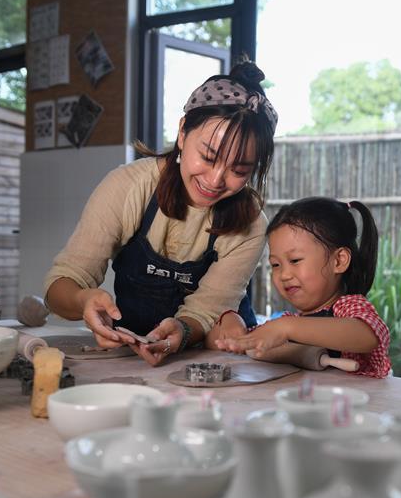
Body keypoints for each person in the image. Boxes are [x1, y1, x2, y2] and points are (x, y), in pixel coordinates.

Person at [43, 60, 278, 366]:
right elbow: (60, 285)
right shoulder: (128, 187)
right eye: (208, 156)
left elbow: (206, 313)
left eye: (239, 170)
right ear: (183, 133)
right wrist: (83, 300)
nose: (216, 179)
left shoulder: (250, 223)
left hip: (215, 359)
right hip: (132, 355)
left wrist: (182, 328)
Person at [211, 197, 392, 378]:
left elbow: (367, 336)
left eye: (295, 260)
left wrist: (286, 327)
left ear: (338, 261)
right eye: (275, 265)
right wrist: (231, 323)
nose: (284, 275)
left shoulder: (347, 308)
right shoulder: (286, 324)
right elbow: (229, 342)